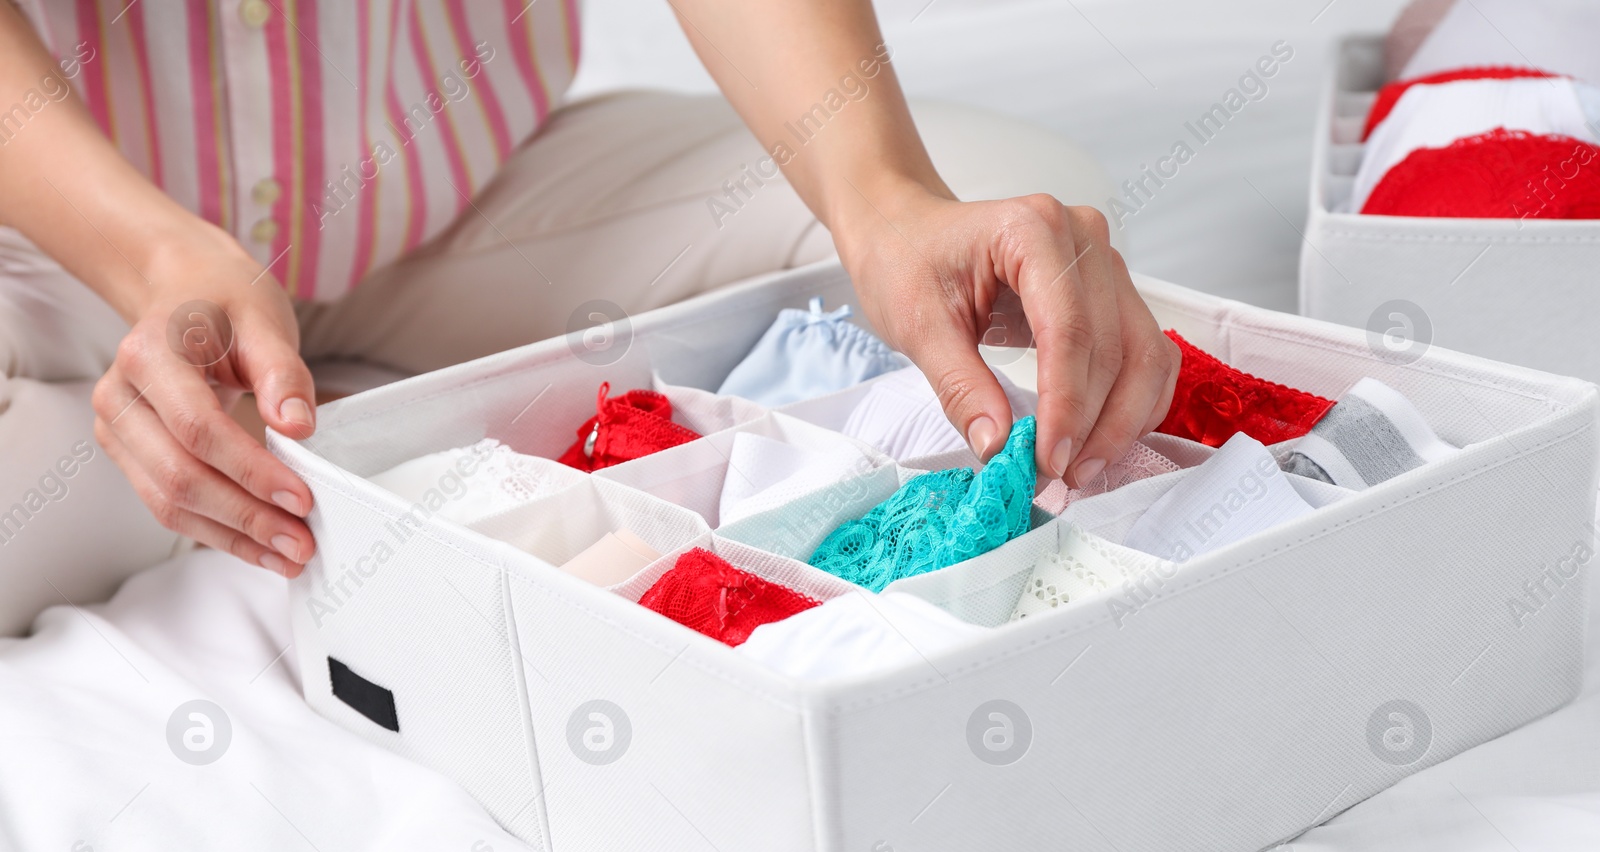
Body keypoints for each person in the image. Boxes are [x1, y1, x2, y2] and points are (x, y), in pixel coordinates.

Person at [0, 0, 1179, 637]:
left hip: (458, 203)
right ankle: (221, 432)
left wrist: (882, 201)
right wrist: (151, 259)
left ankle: (326, 426)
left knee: (1015, 201)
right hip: (68, 255)